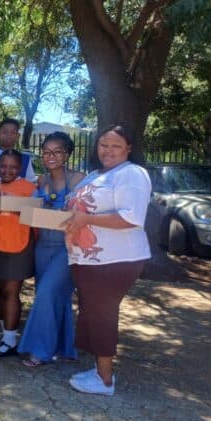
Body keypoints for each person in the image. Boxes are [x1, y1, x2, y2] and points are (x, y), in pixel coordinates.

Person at [64, 125, 152, 396]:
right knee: (92, 312)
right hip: (90, 259)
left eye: (116, 145)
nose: (108, 150)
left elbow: (131, 217)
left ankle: (104, 379)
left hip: (115, 260)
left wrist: (87, 219)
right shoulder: (95, 174)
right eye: (104, 144)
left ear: (129, 148)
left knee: (102, 314)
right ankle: (98, 369)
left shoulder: (132, 174)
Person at [18, 132, 84, 367]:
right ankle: (63, 347)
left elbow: (85, 212)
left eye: (57, 151)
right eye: (46, 152)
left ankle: (39, 350)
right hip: (43, 246)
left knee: (46, 293)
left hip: (67, 246)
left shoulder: (78, 179)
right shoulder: (41, 181)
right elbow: (32, 210)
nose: (51, 156)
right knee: (55, 296)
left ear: (67, 154)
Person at [0, 150, 37, 357]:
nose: (7, 170)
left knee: (11, 293)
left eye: (13, 167)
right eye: (3, 166)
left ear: (20, 168)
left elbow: (36, 216)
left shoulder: (30, 189)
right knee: (1, 292)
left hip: (18, 246)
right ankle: (5, 334)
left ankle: (10, 340)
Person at [0, 118, 37, 182]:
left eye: (13, 132)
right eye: (5, 132)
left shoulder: (25, 160)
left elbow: (31, 183)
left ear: (18, 136)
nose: (9, 135)